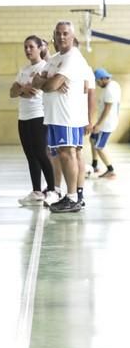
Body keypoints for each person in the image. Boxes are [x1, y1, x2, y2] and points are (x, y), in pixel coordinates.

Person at [32, 21, 89, 213]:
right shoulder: (55, 58)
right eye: (58, 33)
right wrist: (49, 80)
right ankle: (70, 195)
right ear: (54, 36)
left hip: (67, 116)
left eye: (65, 33)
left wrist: (48, 81)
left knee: (68, 154)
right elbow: (36, 79)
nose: (61, 37)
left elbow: (47, 86)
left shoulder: (73, 58)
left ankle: (72, 198)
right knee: (61, 155)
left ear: (72, 37)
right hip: (55, 116)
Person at [10, 35, 55, 206]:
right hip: (24, 117)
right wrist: (23, 88)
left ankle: (52, 190)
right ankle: (36, 191)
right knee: (30, 155)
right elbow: (12, 92)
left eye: (31, 47)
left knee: (41, 154)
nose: (28, 50)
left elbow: (38, 88)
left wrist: (23, 88)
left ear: (39, 48)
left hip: (39, 115)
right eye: (25, 47)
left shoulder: (45, 67)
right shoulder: (23, 70)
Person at [90, 68, 121, 179]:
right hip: (107, 121)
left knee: (99, 147)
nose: (97, 84)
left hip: (106, 124)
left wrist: (98, 124)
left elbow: (107, 109)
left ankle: (110, 170)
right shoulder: (113, 84)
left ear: (103, 79)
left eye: (98, 81)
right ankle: (94, 165)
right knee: (92, 139)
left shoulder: (109, 89)